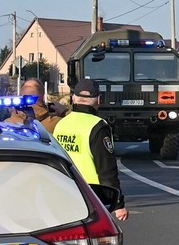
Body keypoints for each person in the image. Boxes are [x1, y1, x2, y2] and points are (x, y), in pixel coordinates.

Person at [53, 79, 128, 220]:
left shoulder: (61, 124)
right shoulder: (98, 126)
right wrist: (118, 204)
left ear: (73, 98)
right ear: (99, 99)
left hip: (64, 190)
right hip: (91, 195)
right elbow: (106, 168)